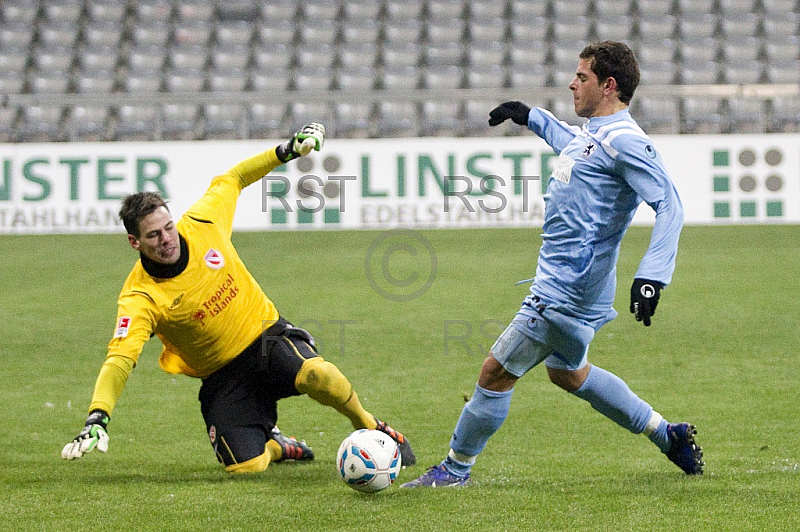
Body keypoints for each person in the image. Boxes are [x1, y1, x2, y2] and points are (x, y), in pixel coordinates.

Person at [402, 41, 702, 488]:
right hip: (577, 287)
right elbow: (575, 146)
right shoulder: (597, 135)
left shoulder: (626, 141)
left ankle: (455, 468)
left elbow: (670, 204)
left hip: (567, 290)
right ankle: (666, 433)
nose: (572, 83)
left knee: (495, 372)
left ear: (609, 85)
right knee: (568, 372)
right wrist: (531, 116)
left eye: (582, 77)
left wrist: (652, 277)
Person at [61, 123, 415, 474]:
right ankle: (278, 446)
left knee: (317, 374)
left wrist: (287, 150)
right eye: (153, 235)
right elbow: (120, 359)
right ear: (135, 243)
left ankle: (369, 425)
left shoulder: (202, 223)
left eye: (168, 227)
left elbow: (232, 178)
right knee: (245, 467)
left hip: (266, 339)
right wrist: (98, 416)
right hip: (222, 376)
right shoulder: (140, 297)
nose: (167, 238)